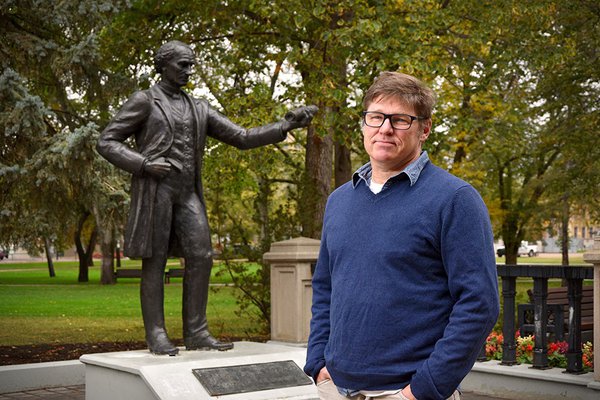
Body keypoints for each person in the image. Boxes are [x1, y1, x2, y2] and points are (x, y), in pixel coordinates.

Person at [97, 40, 316, 356]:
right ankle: (157, 334)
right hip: (156, 190)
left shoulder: (199, 107)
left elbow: (241, 137)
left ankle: (196, 332)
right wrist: (143, 164)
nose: (188, 70)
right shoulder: (144, 101)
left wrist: (284, 126)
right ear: (163, 65)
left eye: (191, 65)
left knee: (201, 256)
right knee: (154, 262)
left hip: (187, 193)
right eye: (182, 65)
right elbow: (106, 141)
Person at [304, 72, 499, 400]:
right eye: (376, 117)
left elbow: (479, 304)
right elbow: (325, 287)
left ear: (425, 128)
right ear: (364, 124)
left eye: (400, 119)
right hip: (335, 388)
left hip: (407, 392)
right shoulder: (340, 200)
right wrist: (318, 364)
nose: (385, 128)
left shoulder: (454, 199)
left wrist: (421, 390)